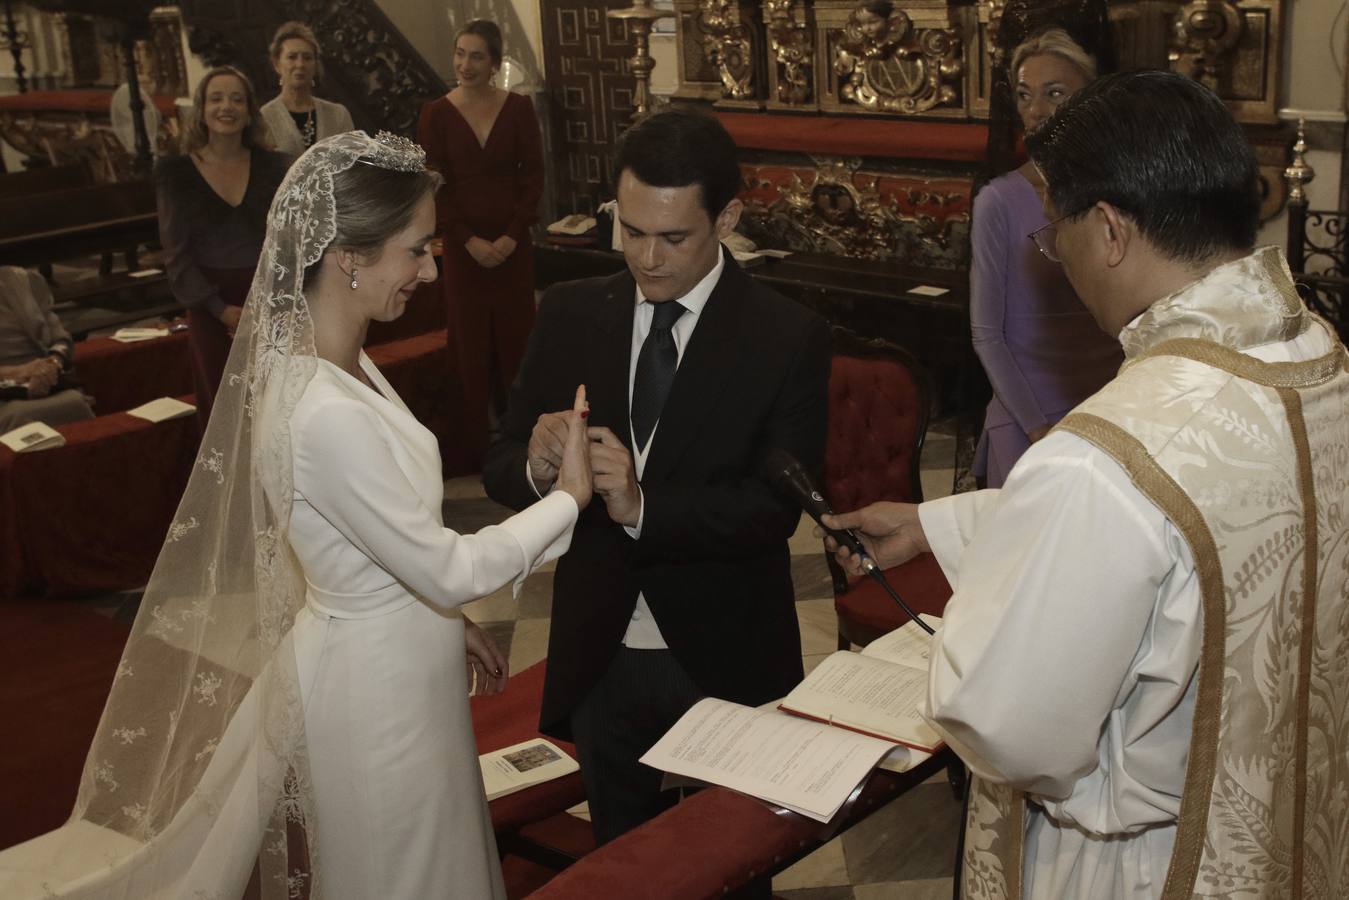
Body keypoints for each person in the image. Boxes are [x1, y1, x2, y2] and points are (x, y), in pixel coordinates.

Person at [0, 132, 594, 900]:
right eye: (415, 249)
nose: (430, 268)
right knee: (400, 870)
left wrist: (446, 623)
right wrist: (567, 499)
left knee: (430, 855)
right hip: (377, 691)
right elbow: (447, 565)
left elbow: (381, 546)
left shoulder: (346, 358)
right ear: (348, 254)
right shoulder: (321, 409)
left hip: (396, 652)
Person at [823, 71, 1349, 899]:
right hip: (1287, 830)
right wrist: (940, 525)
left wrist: (972, 619)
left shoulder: (1101, 454)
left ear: (1107, 229)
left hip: (1140, 867)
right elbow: (1206, 516)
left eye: (1051, 233)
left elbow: (1009, 730)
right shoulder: (1315, 358)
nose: (1054, 255)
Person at [483, 107, 831, 846]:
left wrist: (644, 505)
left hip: (725, 649)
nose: (645, 257)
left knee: (731, 859)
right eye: (630, 230)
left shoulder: (785, 334)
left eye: (672, 237)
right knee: (626, 864)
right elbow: (497, 460)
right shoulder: (574, 313)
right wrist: (538, 464)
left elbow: (774, 511)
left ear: (727, 217)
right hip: (599, 650)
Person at [970, 27, 1121, 487]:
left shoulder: (1119, 191)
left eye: (1054, 93)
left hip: (1110, 408)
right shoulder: (999, 201)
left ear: (1089, 99)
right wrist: (1038, 429)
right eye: (1023, 95)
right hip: (1030, 418)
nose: (1035, 110)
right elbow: (987, 334)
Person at [418, 19, 544, 464]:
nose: (464, 64)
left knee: (518, 340)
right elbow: (435, 185)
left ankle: (526, 442)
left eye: (475, 56)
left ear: (494, 62)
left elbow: (533, 178)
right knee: (468, 346)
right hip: (462, 249)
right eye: (459, 53)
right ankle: (471, 448)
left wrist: (512, 236)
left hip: (514, 248)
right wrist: (467, 240)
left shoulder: (519, 108)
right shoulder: (436, 113)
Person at [155, 65, 290, 428]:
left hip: (266, 298)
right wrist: (220, 310)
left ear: (249, 112)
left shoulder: (274, 168)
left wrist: (265, 301)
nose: (226, 107)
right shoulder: (176, 174)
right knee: (225, 413)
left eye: (236, 99)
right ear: (201, 110)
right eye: (216, 98)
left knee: (275, 405)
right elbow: (176, 257)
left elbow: (285, 240)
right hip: (210, 306)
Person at [0, 265, 92, 432]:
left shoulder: (25, 280)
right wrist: (19, 372)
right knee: (20, 416)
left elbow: (62, 340)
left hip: (45, 381)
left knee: (74, 403)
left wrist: (51, 364)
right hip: (4, 392)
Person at [258, 21, 355, 155]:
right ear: (276, 64)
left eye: (307, 57)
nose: (300, 64)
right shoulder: (265, 117)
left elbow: (352, 167)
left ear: (315, 64)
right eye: (292, 57)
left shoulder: (338, 115)